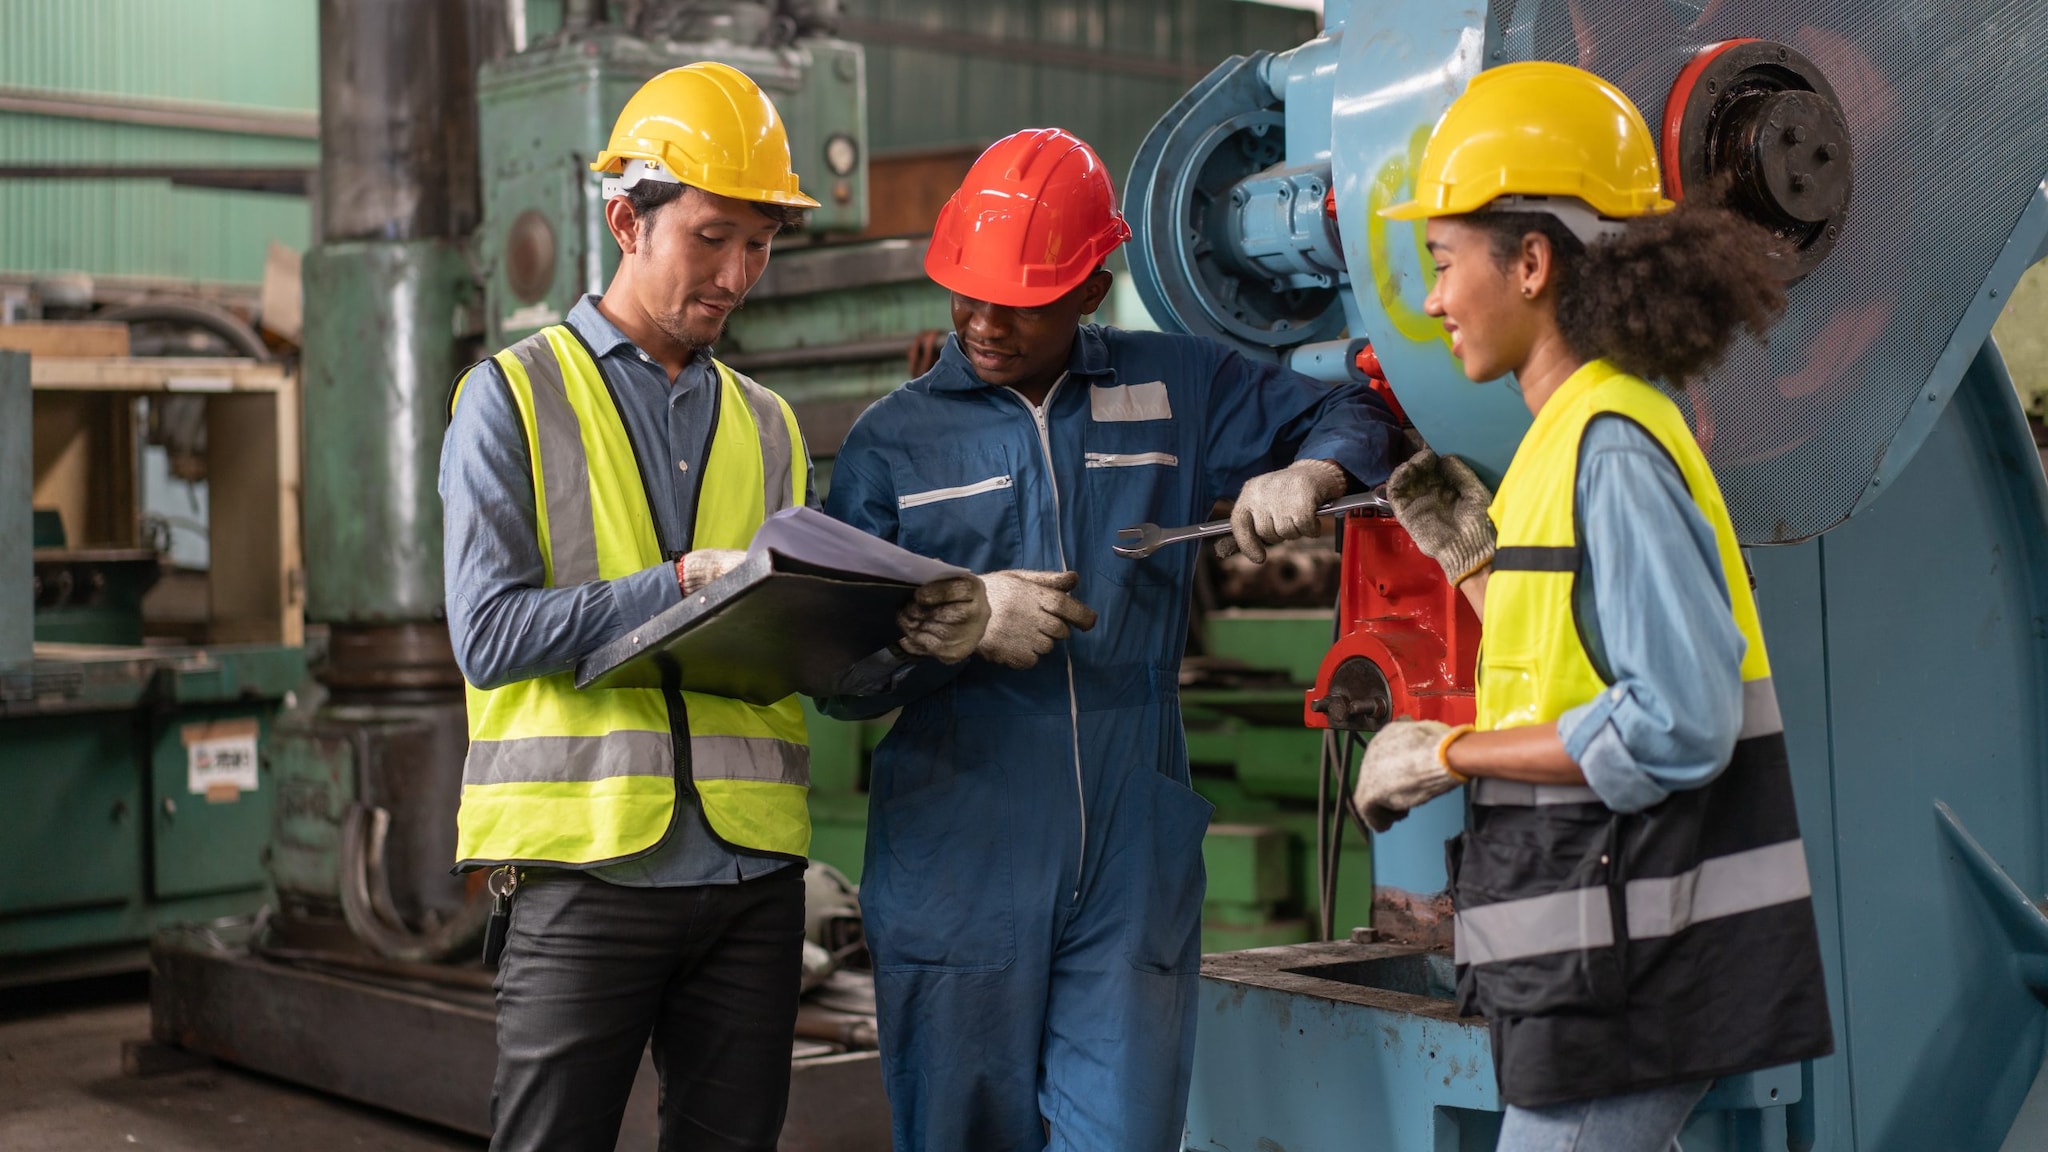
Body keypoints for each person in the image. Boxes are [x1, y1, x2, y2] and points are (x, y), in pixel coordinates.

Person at [818, 127, 1403, 1151]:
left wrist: (1310, 474)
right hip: (961, 859)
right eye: (965, 292)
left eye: (1019, 300)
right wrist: (953, 623)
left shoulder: (1173, 388)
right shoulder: (892, 443)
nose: (982, 323)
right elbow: (839, 675)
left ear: (1091, 291)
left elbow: (1357, 414)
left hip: (1130, 854)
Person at [438, 62, 985, 1152]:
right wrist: (679, 583)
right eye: (711, 237)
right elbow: (489, 634)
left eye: (760, 245)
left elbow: (811, 661)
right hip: (585, 874)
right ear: (623, 221)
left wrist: (909, 635)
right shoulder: (511, 396)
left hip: (749, 883)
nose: (737, 274)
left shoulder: (771, 426)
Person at [1353, 62, 1835, 1150]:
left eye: (1441, 263)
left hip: (1630, 964)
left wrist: (1450, 755)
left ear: (1528, 262)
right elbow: (1573, 649)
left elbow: (1676, 720)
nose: (1430, 301)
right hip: (1590, 951)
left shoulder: (1608, 446)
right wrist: (1475, 565)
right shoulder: (1560, 443)